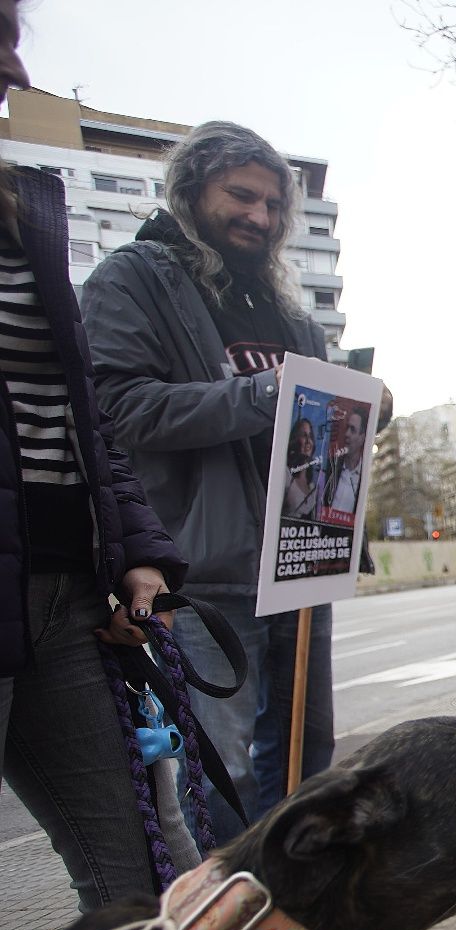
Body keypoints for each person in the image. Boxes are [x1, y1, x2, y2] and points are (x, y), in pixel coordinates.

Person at [83, 121, 393, 843]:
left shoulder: (286, 308)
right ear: (193, 191)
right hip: (206, 565)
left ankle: (295, 894)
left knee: (304, 752)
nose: (260, 216)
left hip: (303, 556)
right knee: (218, 764)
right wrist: (262, 394)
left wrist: (365, 405)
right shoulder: (134, 277)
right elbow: (115, 408)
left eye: (274, 206)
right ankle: (223, 909)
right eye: (242, 196)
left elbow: (314, 416)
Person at [0, 7, 190, 911]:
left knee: (132, 883)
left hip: (63, 592)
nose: (14, 65)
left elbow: (84, 419)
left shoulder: (25, 213)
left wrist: (137, 551)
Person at [321, 402, 369, 519]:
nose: (346, 434)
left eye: (352, 430)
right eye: (347, 428)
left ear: (363, 437)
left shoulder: (366, 477)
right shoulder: (330, 466)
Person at [282, 415, 320, 520]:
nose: (308, 441)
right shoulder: (285, 474)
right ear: (295, 440)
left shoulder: (312, 484)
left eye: (310, 436)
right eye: (304, 436)